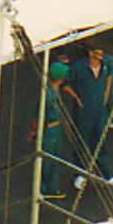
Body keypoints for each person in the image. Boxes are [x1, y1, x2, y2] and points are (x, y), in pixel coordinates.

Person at [64, 47, 113, 189]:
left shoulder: (105, 66)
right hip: (84, 110)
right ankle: (80, 174)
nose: (101, 56)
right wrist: (76, 97)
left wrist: (106, 94)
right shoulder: (79, 67)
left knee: (100, 139)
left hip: (99, 109)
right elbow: (64, 82)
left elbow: (109, 76)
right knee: (82, 140)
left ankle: (105, 174)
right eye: (98, 53)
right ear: (91, 54)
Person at [36, 61, 72, 199]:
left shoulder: (55, 89)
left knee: (54, 158)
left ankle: (51, 187)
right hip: (49, 129)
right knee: (47, 159)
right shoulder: (48, 94)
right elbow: (38, 114)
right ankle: (42, 188)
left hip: (56, 128)